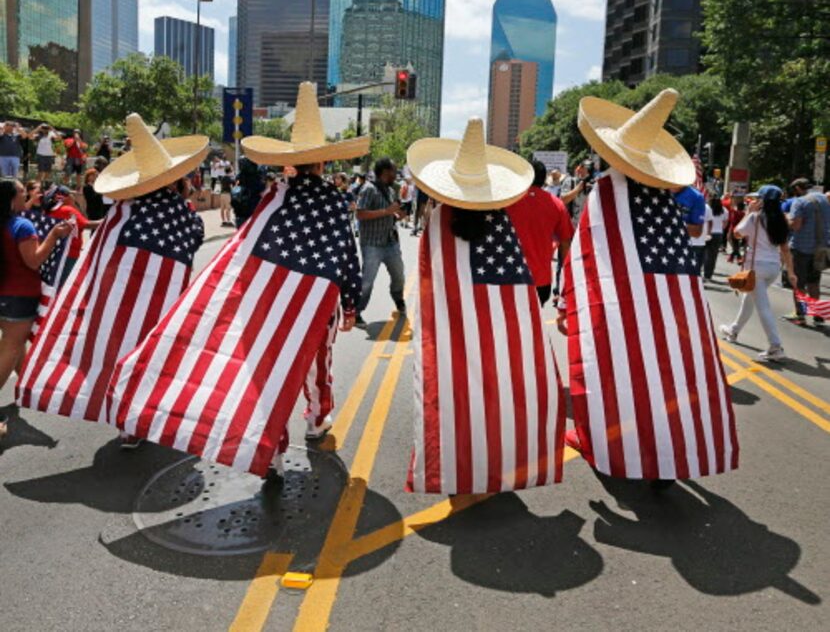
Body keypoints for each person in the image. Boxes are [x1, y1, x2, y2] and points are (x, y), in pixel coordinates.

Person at [108, 83, 366, 481]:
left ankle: (274, 453)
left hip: (269, 299)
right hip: (318, 299)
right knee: (315, 361)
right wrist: (350, 304)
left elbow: (245, 246)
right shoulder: (334, 201)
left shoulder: (275, 197)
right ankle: (317, 420)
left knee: (271, 369)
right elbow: (347, 254)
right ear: (325, 164)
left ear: (290, 164)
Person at [561, 88, 738, 487]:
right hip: (675, 305)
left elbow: (584, 257)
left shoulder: (605, 191)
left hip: (618, 306)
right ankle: (670, 455)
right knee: (669, 376)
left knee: (615, 377)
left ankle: (614, 448)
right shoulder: (666, 197)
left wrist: (565, 306)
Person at [17, 113, 208, 447]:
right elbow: (193, 244)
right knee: (155, 356)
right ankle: (141, 417)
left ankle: (125, 420)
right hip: (167, 303)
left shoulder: (122, 213)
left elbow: (99, 259)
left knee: (123, 350)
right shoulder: (186, 216)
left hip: (122, 302)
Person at [405, 117, 565, 494]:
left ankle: (455, 470)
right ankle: (497, 465)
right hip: (500, 327)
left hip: (449, 328)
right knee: (497, 391)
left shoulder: (439, 218)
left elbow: (429, 282)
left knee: (453, 393)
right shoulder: (502, 222)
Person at [0, 179, 72, 435]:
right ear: (11, 199)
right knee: (11, 347)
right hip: (20, 296)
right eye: (22, 192)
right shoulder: (22, 225)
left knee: (14, 344)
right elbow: (34, 261)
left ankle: (30, 385)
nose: (28, 195)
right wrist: (53, 235)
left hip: (5, 293)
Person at [719, 185, 796, 361]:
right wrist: (790, 272)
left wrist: (748, 212)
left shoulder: (754, 218)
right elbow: (785, 249)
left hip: (756, 268)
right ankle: (734, 330)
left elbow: (736, 234)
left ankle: (775, 346)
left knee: (763, 307)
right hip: (773, 267)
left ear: (763, 201)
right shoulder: (782, 219)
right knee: (749, 299)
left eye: (757, 198)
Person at [507, 160, 574, 306]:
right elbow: (566, 243)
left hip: (509, 276)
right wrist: (565, 280)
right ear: (544, 179)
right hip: (542, 279)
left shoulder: (507, 201)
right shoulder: (557, 204)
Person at [355, 157, 406, 328]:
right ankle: (356, 312)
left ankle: (398, 299)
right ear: (385, 173)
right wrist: (386, 211)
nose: (396, 174)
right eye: (394, 171)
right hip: (372, 244)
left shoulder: (390, 190)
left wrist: (397, 214)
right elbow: (360, 214)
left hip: (390, 241)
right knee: (367, 281)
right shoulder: (368, 189)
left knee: (399, 275)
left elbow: (391, 211)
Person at [784, 177, 830, 325]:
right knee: (814, 282)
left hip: (800, 248)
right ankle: (817, 314)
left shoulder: (800, 201)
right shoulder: (824, 200)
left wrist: (786, 218)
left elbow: (796, 225)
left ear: (798, 189)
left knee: (798, 283)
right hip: (820, 248)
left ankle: (800, 314)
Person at [43, 185, 100, 285]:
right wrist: (109, 219)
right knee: (64, 285)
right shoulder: (67, 210)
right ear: (67, 197)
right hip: (69, 254)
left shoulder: (52, 210)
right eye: (71, 194)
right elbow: (86, 224)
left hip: (55, 253)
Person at [560, 160, 594, 227]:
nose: (585, 171)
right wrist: (578, 189)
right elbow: (563, 200)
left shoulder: (594, 183)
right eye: (583, 168)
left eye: (588, 169)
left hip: (589, 224)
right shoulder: (570, 182)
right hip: (572, 224)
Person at [702, 195, 727, 280]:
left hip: (706, 233)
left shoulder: (707, 209)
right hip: (718, 234)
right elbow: (725, 224)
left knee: (703, 253)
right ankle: (708, 275)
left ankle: (700, 271)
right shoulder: (724, 210)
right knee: (713, 256)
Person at [727, 196, 746, 263]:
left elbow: (730, 206)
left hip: (733, 230)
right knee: (736, 244)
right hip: (741, 230)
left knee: (735, 244)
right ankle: (732, 258)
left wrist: (731, 198)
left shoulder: (735, 212)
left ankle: (737, 257)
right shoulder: (744, 214)